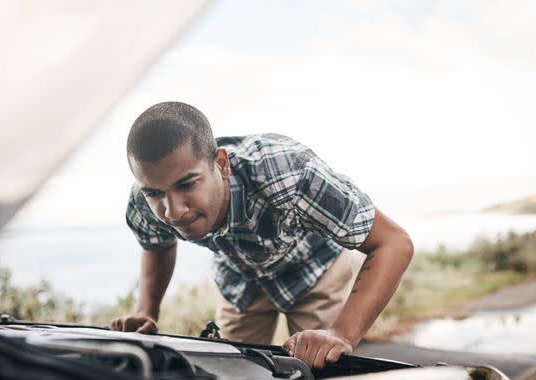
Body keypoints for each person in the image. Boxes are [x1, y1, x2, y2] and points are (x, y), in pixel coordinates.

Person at [110, 102, 414, 369]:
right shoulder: (143, 200)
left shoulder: (289, 174)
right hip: (241, 278)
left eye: (187, 185)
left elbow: (394, 243)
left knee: (322, 364)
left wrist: (342, 333)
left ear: (221, 164)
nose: (173, 212)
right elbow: (157, 245)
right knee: (230, 368)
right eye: (154, 193)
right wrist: (146, 311)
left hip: (315, 270)